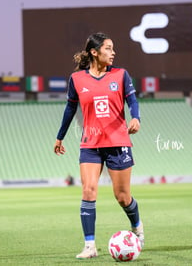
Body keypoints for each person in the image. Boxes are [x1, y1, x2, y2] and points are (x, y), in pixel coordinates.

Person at [54, 32, 144, 259]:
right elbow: (69, 109)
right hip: (90, 144)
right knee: (88, 190)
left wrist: (136, 118)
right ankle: (90, 246)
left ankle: (137, 227)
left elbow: (132, 100)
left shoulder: (121, 75)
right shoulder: (77, 80)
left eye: (113, 48)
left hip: (118, 142)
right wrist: (60, 136)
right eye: (108, 48)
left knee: (122, 196)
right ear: (94, 52)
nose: (113, 53)